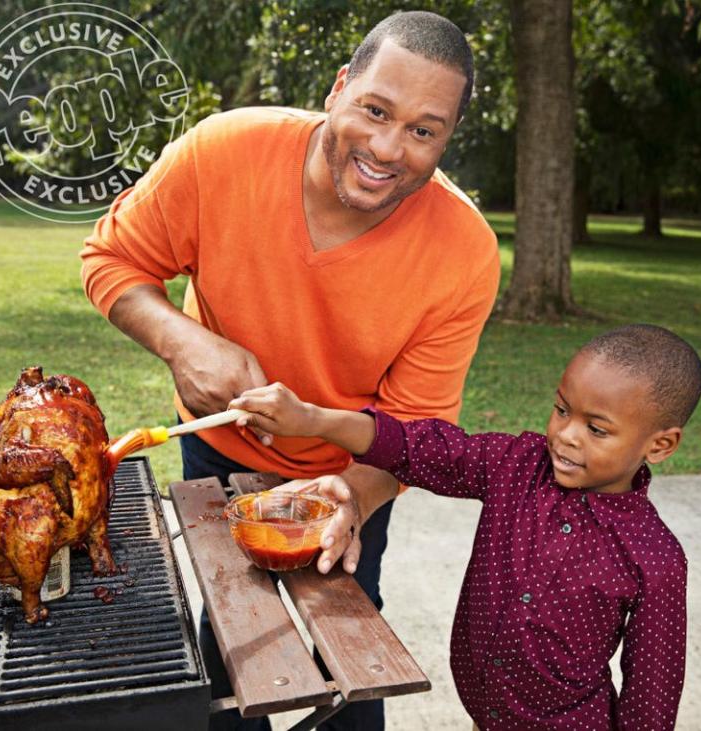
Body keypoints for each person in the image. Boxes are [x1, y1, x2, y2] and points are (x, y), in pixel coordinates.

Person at [80, 11, 499, 731]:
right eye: (375, 109)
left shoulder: (464, 250)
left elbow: (416, 427)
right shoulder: (224, 151)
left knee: (354, 655)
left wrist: (352, 499)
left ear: (447, 139)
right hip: (217, 444)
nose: (387, 147)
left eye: (423, 131)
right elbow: (111, 260)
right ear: (339, 88)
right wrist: (184, 342)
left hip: (350, 469)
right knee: (230, 634)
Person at [229, 324, 701, 730]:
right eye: (562, 410)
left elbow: (651, 697)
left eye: (596, 429)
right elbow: (414, 448)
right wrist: (311, 418)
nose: (565, 434)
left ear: (660, 445)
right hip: (485, 712)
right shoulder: (515, 464)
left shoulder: (655, 558)